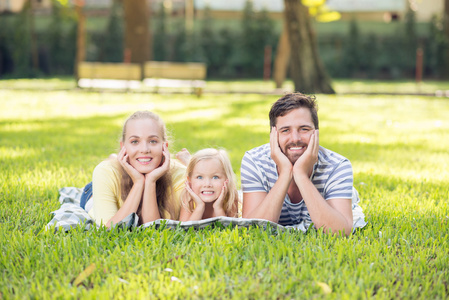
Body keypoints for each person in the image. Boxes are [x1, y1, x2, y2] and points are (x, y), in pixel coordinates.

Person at [241, 93, 360, 235]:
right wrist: (286, 173)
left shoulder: (338, 166)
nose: (295, 138)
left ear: (316, 132)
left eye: (304, 129)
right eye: (285, 130)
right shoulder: (254, 161)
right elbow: (253, 230)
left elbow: (340, 232)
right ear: (273, 135)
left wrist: (301, 175)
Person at [81, 111, 185, 228]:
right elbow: (110, 229)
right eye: (135, 141)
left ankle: (115, 157)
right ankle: (114, 158)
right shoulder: (105, 172)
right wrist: (138, 182)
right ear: (123, 147)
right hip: (94, 193)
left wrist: (150, 181)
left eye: (153, 141)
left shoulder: (181, 176)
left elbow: (153, 229)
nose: (144, 149)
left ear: (164, 146)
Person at [179, 148, 239, 221]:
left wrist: (218, 208)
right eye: (200, 177)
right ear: (189, 180)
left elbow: (230, 229)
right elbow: (184, 229)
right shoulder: (188, 196)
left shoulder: (231, 195)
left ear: (227, 179)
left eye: (215, 177)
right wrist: (199, 207)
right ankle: (187, 160)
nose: (207, 184)